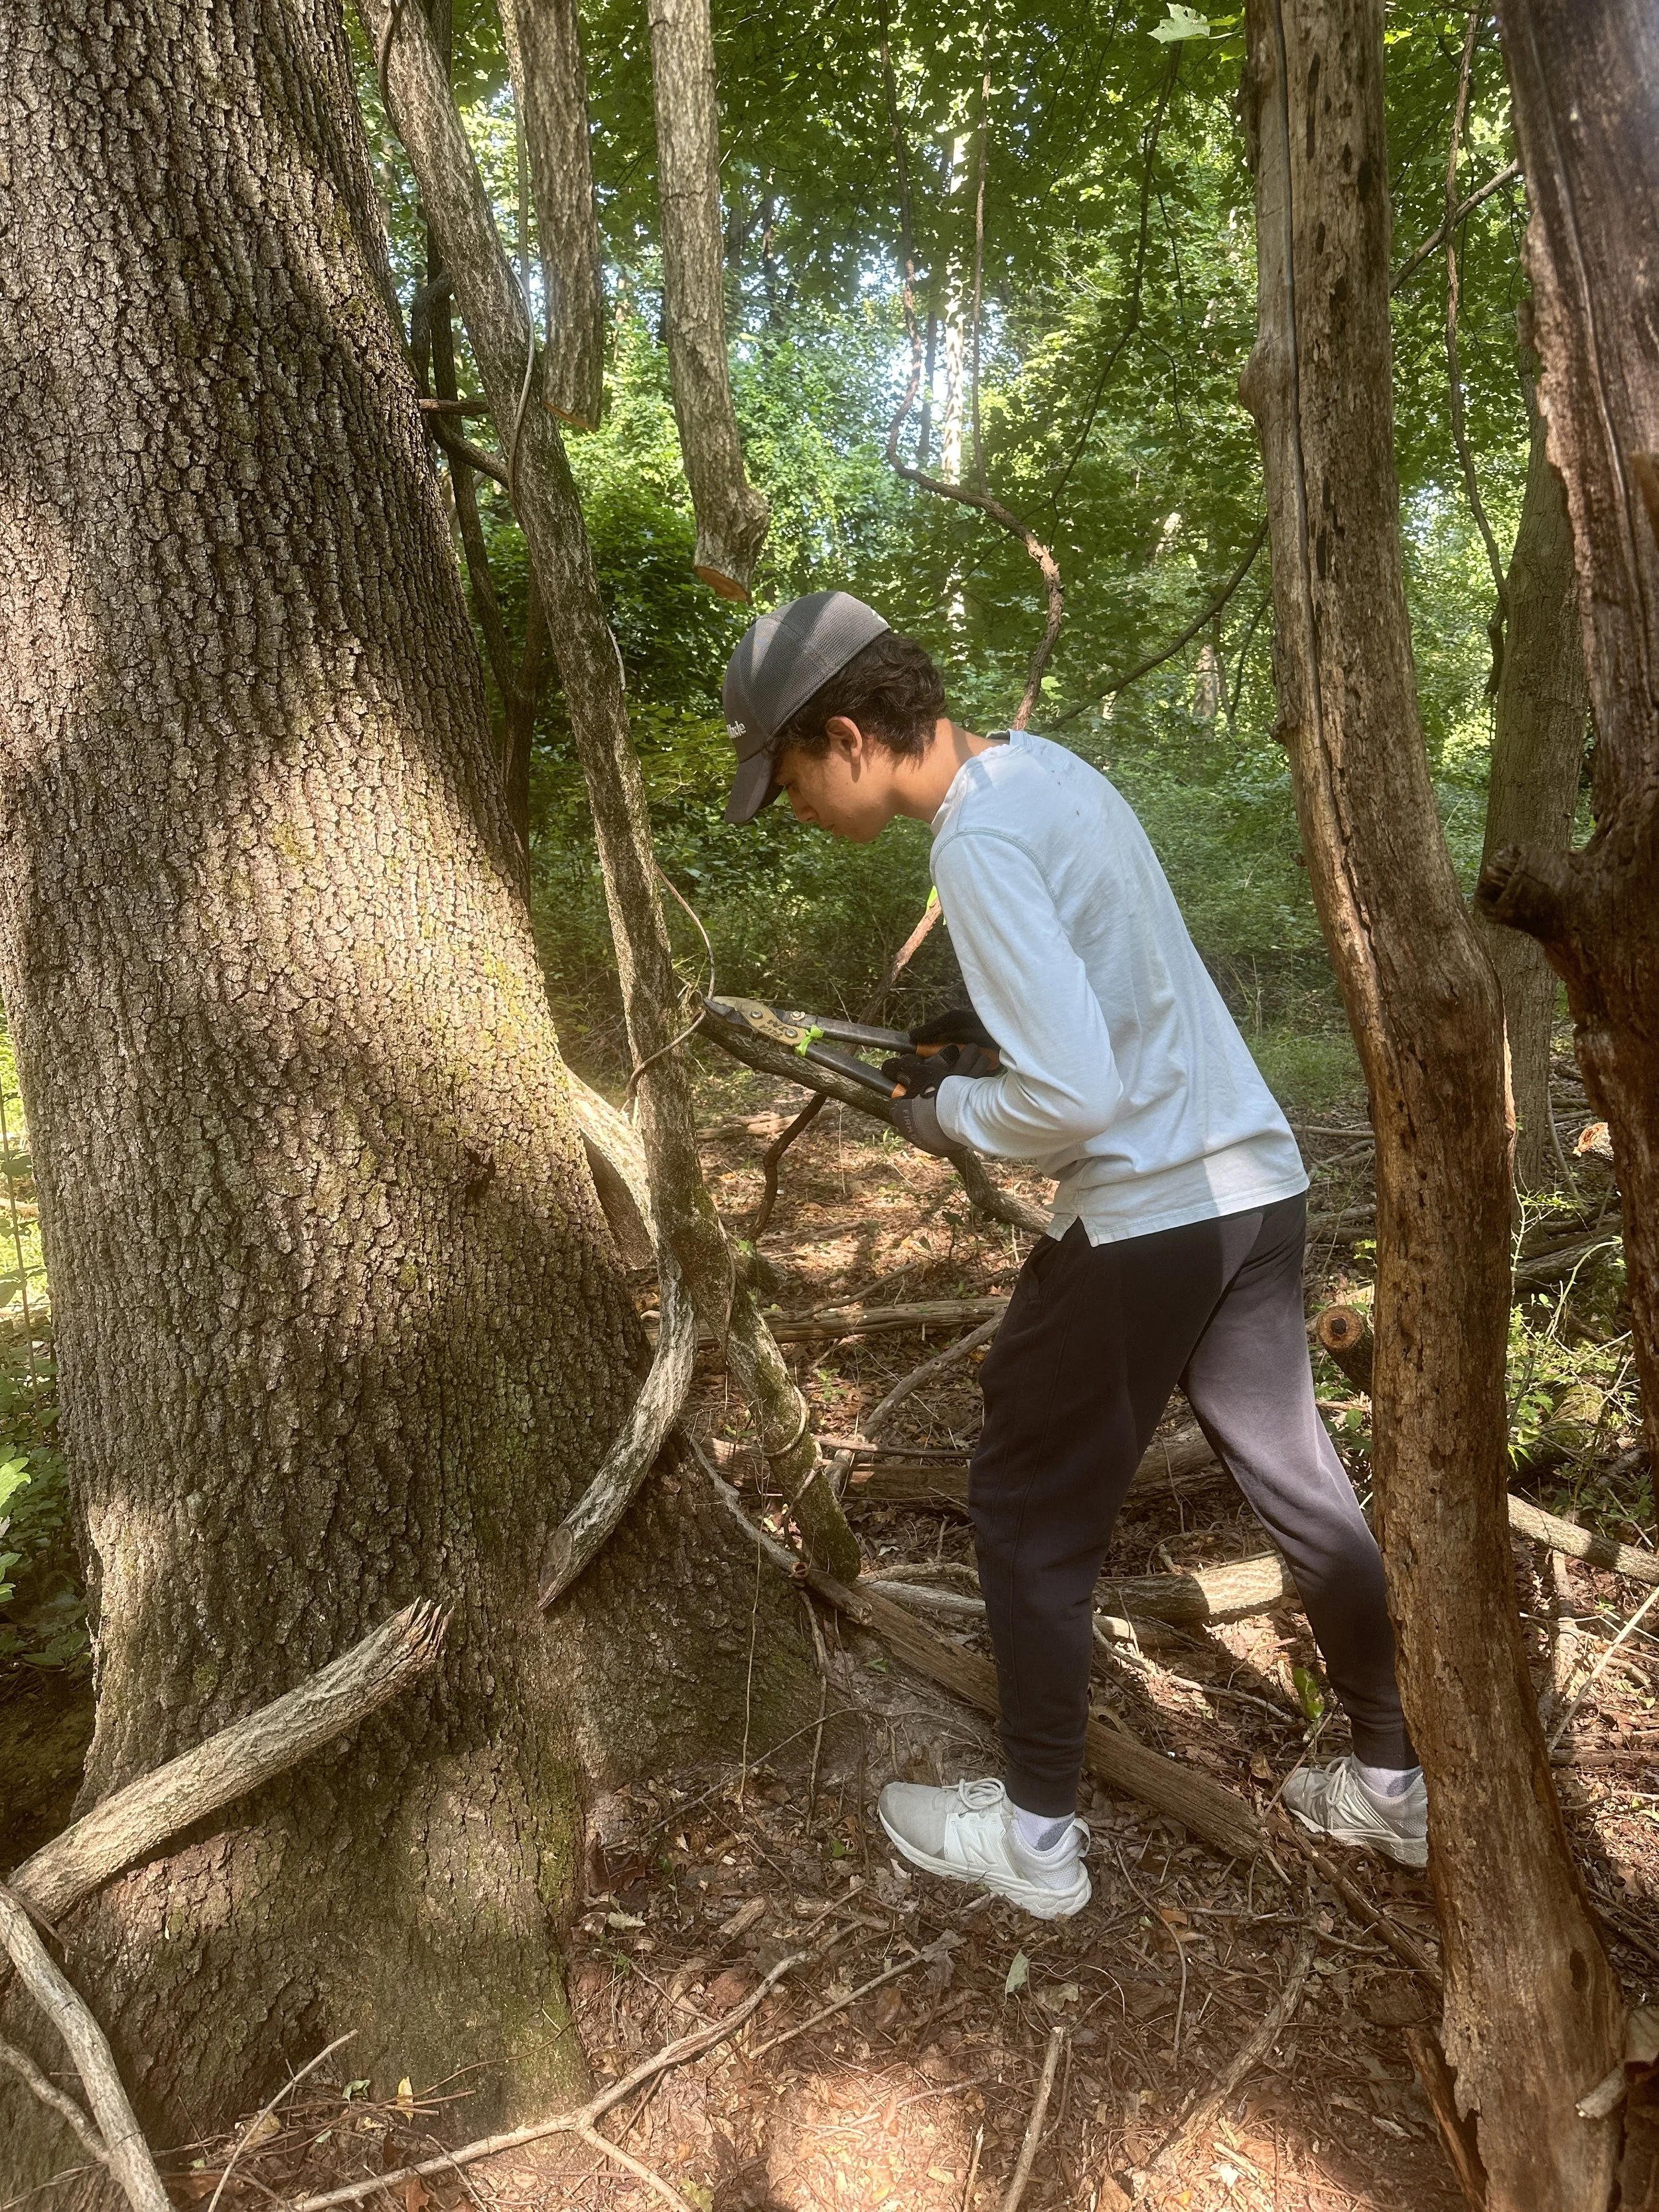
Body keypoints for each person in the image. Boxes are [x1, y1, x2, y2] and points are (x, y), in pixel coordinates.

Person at [721, 590, 1427, 1919]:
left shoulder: (973, 845)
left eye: (796, 776)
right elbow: (1111, 999)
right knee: (1301, 1483)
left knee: (1024, 1512)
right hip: (1250, 1185)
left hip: (1144, 1213)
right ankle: (1389, 1781)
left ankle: (1037, 1840)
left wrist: (943, 1108)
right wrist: (982, 1046)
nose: (801, 809)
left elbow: (1071, 1102)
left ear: (852, 736)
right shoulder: (1045, 776)